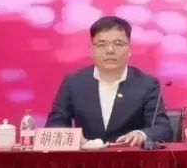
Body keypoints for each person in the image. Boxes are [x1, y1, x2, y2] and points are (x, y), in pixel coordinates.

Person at [46, 16, 171, 145]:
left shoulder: (148, 84)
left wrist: (142, 135)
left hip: (130, 155)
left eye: (118, 44)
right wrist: (71, 138)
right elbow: (55, 124)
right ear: (91, 49)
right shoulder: (73, 82)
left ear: (130, 49)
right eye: (102, 44)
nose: (110, 50)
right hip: (86, 155)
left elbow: (162, 128)